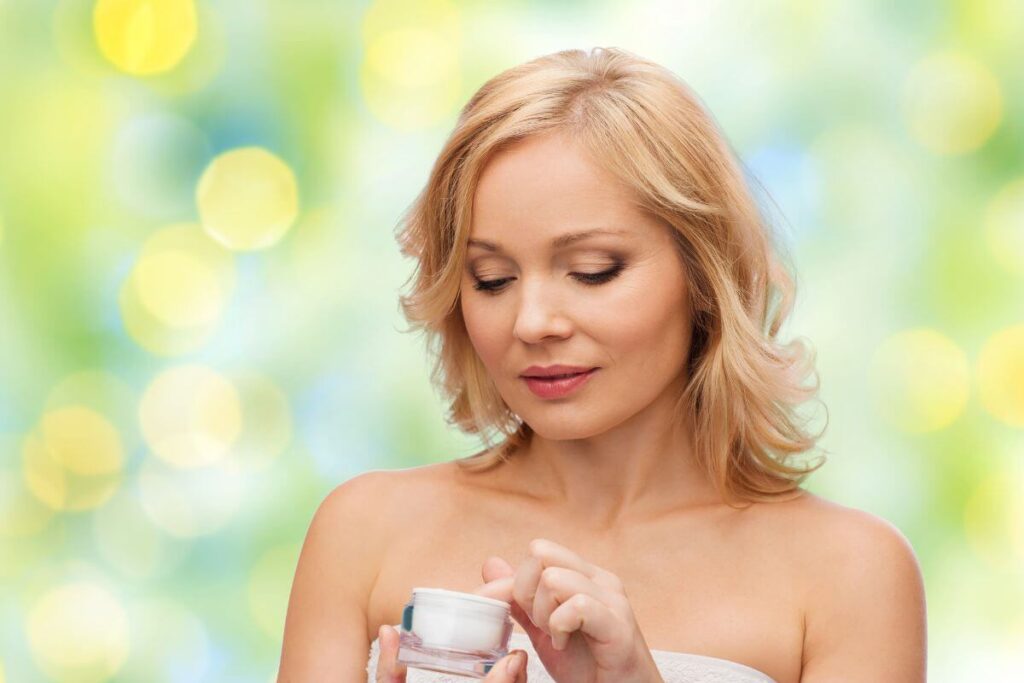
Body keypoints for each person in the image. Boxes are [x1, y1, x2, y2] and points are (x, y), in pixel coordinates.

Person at [276, 47, 927, 682]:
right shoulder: (363, 532)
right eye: (493, 279)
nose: (532, 322)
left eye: (593, 271)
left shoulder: (851, 573)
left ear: (703, 272)